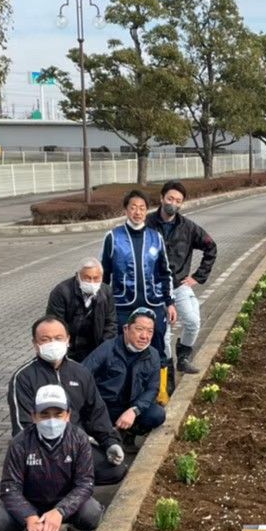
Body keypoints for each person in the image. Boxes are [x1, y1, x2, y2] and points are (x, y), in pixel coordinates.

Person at [6, 316, 128, 485]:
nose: (53, 343)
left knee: (115, 470)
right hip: (40, 451)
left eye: (58, 338)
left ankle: (72, 483)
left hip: (76, 445)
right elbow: (22, 427)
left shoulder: (81, 373)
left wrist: (110, 442)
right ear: (35, 344)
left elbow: (96, 414)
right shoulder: (23, 378)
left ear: (68, 340)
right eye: (45, 339)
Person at [0, 385, 100, 531]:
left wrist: (60, 511)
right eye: (44, 414)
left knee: (92, 512)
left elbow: (85, 484)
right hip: (31, 504)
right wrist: (28, 516)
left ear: (68, 415)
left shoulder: (79, 439)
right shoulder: (20, 443)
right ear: (33, 416)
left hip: (65, 503)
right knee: (0, 520)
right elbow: (9, 488)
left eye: (58, 414)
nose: (51, 420)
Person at [145, 180, 218, 375]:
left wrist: (198, 277)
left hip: (179, 285)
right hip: (153, 289)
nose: (173, 204)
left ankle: (183, 356)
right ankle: (166, 367)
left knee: (192, 322)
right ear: (161, 198)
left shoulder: (188, 227)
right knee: (164, 331)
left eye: (178, 201)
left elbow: (211, 247)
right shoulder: (146, 225)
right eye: (170, 198)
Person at [101, 189, 175, 363]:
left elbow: (165, 273)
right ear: (126, 210)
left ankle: (159, 387)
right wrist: (102, 305)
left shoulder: (155, 237)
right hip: (122, 305)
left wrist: (170, 302)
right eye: (133, 207)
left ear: (146, 211)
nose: (138, 212)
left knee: (157, 346)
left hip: (153, 302)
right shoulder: (113, 237)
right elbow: (104, 275)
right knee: (121, 349)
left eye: (142, 208)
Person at [83, 307, 166, 437]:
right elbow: (83, 374)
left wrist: (134, 410)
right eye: (139, 329)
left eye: (150, 331)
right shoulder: (108, 348)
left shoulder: (153, 354)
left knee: (157, 414)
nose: (145, 336)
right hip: (105, 406)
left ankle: (129, 433)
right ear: (126, 329)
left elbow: (152, 389)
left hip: (131, 405)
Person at [45, 258, 116, 364]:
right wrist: (64, 353)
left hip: (95, 347)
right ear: (78, 276)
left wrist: (103, 352)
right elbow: (54, 325)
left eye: (96, 278)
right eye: (87, 278)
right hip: (70, 348)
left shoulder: (106, 292)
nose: (92, 282)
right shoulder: (61, 292)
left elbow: (110, 324)